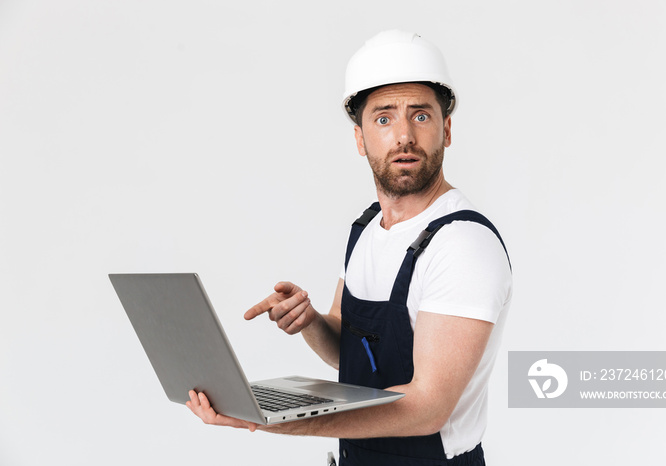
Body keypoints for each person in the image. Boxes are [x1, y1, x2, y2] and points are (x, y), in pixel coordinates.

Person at [187, 30, 513, 466]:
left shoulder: (463, 244)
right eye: (383, 118)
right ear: (360, 138)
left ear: (446, 129)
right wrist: (312, 323)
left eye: (420, 116)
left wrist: (273, 418)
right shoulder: (366, 229)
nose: (403, 136)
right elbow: (351, 354)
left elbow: (427, 408)